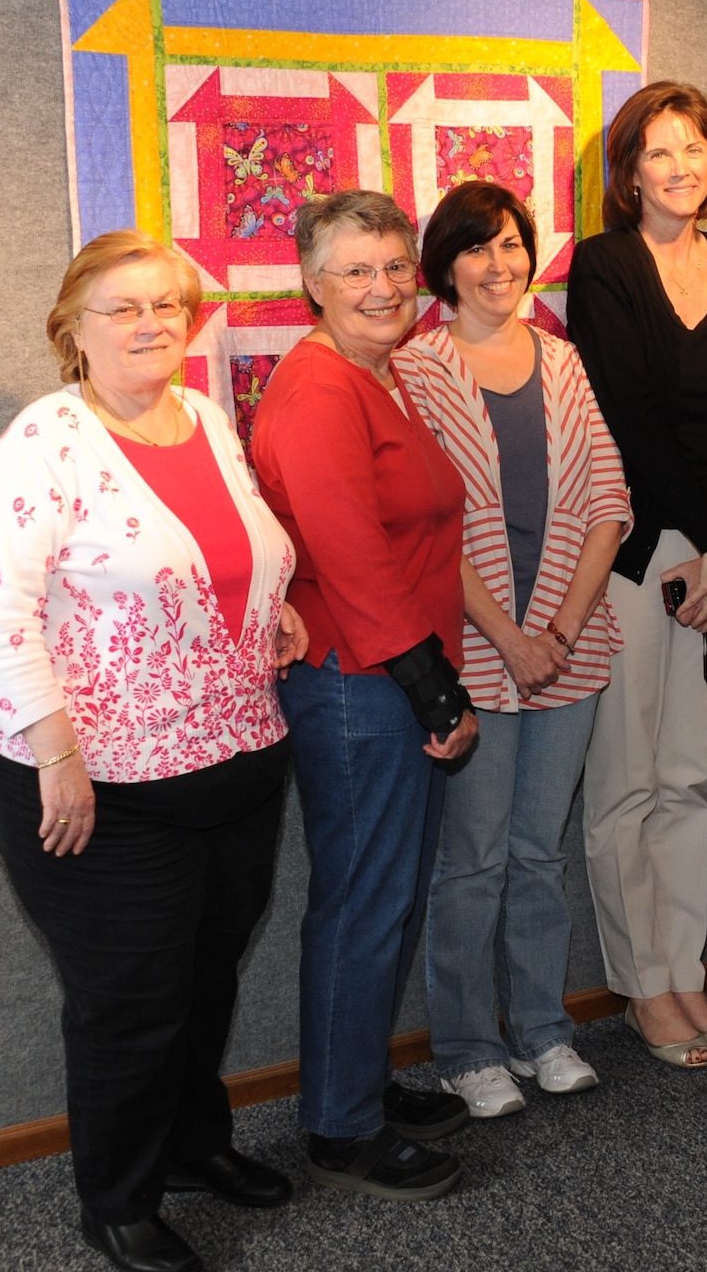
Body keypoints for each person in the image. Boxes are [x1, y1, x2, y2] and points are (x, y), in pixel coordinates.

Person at [0, 230, 306, 1272]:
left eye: (169, 304)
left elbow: (227, 551)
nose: (153, 323)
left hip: (233, 749)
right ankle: (116, 1200)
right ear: (73, 327)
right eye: (124, 308)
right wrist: (55, 751)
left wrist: (267, 610)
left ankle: (195, 1149)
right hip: (94, 778)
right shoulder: (39, 445)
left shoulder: (201, 417)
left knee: (206, 972)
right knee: (132, 997)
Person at [252, 190, 480, 1200]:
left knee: (383, 902)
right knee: (362, 906)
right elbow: (349, 559)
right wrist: (433, 693)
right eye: (356, 270)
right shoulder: (317, 390)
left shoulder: (380, 376)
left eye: (394, 266)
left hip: (392, 673)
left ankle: (358, 1086)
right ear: (311, 283)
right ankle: (341, 1126)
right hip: (361, 682)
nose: (382, 287)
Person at [394, 181, 631, 1117]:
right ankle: (466, 1048)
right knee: (476, 858)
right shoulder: (417, 373)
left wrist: (560, 633)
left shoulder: (563, 362)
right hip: (476, 654)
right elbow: (425, 532)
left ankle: (542, 1030)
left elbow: (609, 503)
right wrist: (510, 639)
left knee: (539, 852)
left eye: (514, 245)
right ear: (444, 268)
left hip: (571, 646)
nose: (501, 265)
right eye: (479, 248)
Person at [566, 82, 707, 1068]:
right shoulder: (601, 267)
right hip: (633, 556)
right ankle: (641, 985)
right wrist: (694, 540)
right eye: (659, 151)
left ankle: (686, 974)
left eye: (694, 147)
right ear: (628, 171)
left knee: (689, 779)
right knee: (625, 783)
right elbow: (624, 412)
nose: (680, 166)